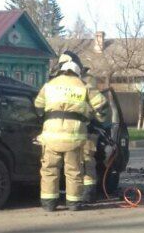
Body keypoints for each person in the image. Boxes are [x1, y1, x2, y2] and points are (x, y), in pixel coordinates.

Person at [35, 52, 108, 212]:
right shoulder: (83, 85)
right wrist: (98, 118)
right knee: (73, 171)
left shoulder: (49, 85)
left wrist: (45, 118)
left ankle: (49, 203)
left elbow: (38, 105)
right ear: (77, 70)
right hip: (74, 137)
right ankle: (73, 203)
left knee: (49, 170)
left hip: (51, 136)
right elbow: (101, 105)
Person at [80, 69, 106, 203]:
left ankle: (84, 194)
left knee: (82, 162)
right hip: (86, 130)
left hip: (80, 130)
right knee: (87, 162)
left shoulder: (56, 84)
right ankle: (87, 194)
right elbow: (101, 105)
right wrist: (99, 118)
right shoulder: (86, 84)